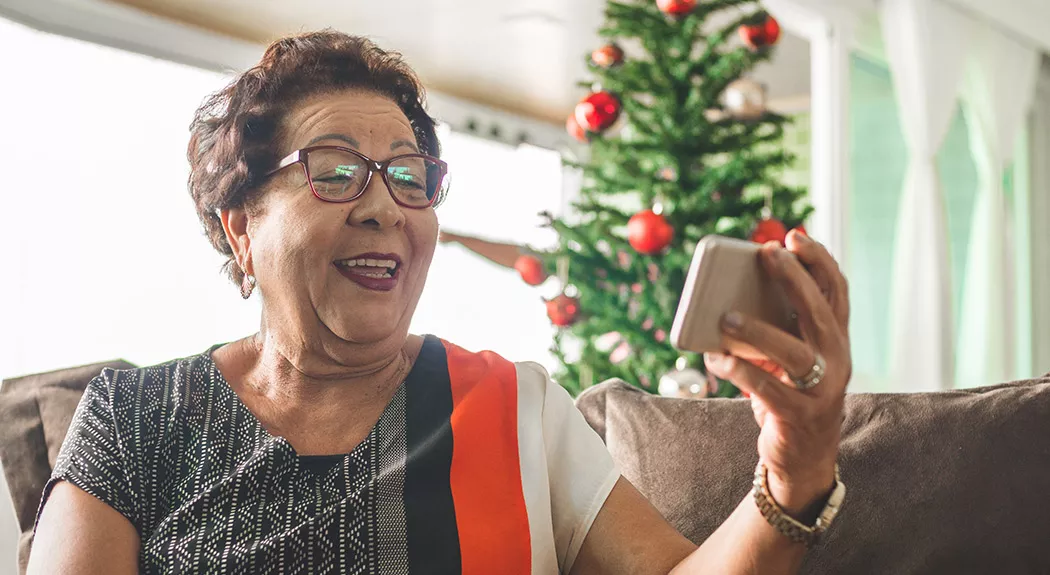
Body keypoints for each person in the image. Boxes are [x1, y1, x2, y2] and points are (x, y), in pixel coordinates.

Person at [29, 30, 852, 575]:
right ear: (241, 227)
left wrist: (795, 469)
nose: (385, 204)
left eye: (409, 175)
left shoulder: (514, 404)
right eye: (339, 170)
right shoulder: (134, 418)